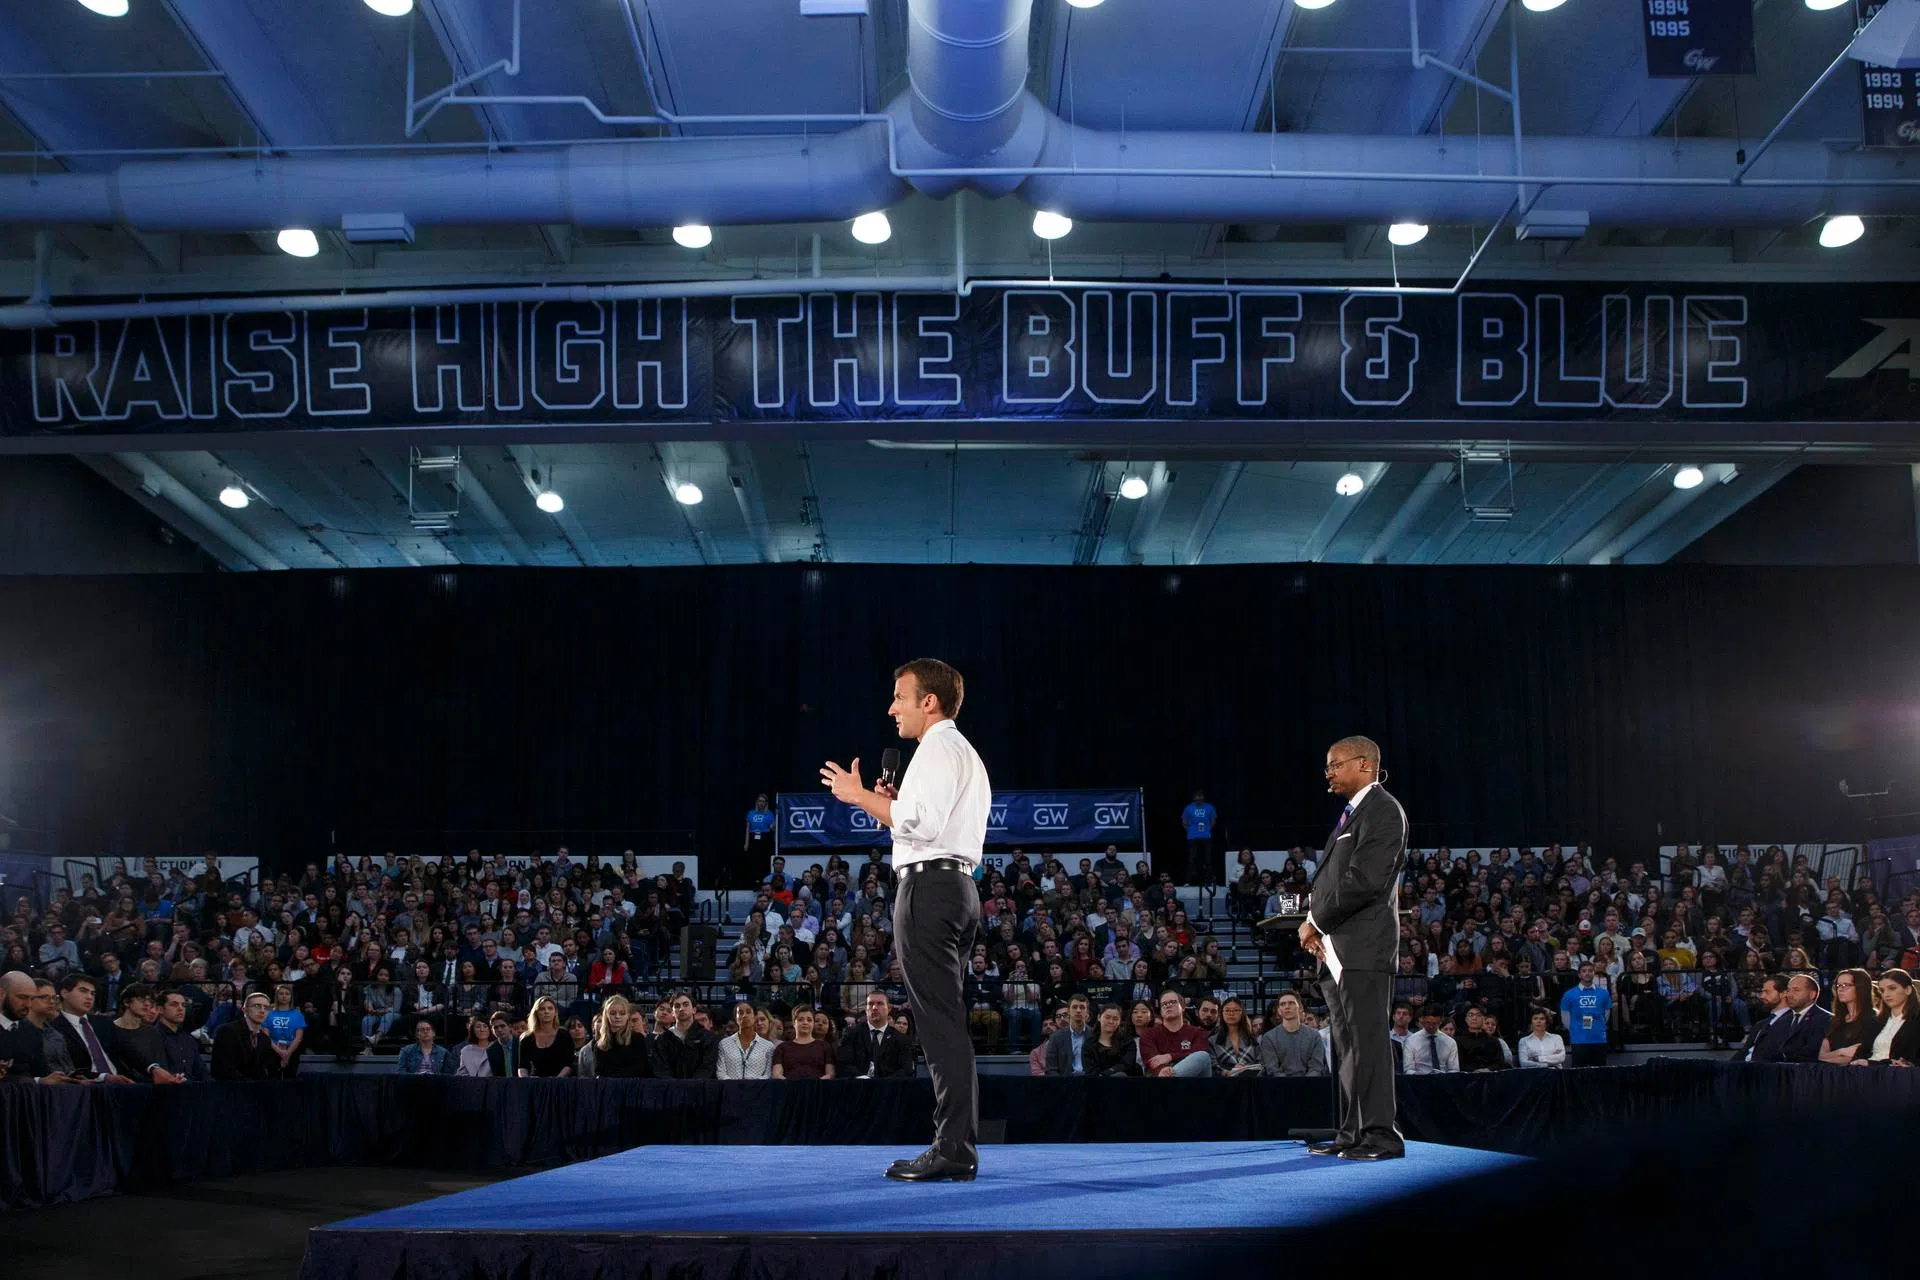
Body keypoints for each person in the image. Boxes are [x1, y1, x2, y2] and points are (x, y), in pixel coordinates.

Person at [821, 657, 990, 1183]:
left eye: (900, 696)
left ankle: (953, 1149)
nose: (891, 707)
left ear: (929, 701)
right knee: (947, 1021)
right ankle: (955, 1145)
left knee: (939, 1024)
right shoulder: (962, 752)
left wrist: (858, 796)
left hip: (930, 892)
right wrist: (886, 805)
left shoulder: (937, 747)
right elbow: (924, 822)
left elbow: (922, 821)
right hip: (957, 887)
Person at [1298, 735, 1409, 1160]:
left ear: (1364, 765)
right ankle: (1352, 1135)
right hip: (1338, 951)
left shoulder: (1382, 810)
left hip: (1363, 949)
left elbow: (1365, 881)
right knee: (1346, 1045)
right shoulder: (1354, 814)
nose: (1328, 772)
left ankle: (1381, 1136)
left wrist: (1315, 921)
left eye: (1334, 764)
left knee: (1370, 1043)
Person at [839, 990, 915, 1078]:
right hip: (857, 1087)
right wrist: (861, 1078)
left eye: (880, 1003)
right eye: (871, 1004)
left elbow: (906, 1070)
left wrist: (883, 1084)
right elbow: (843, 1064)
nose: (874, 1007)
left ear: (889, 1008)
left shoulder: (902, 1040)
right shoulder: (851, 1035)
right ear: (865, 1008)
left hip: (890, 1089)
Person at [1138, 989, 1212, 1077]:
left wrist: (1170, 1056)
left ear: (1183, 1007)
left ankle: (1172, 1079)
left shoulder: (1198, 1032)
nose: (1168, 1005)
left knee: (1203, 1056)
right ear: (1161, 1011)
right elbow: (1153, 1062)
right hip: (1161, 1078)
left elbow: (1199, 1057)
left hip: (1193, 1083)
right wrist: (1162, 1070)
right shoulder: (1148, 1034)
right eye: (1164, 1004)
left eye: (1173, 1002)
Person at [212, 991, 282, 1080]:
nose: (262, 1010)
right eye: (257, 1006)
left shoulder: (265, 1039)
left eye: (266, 1008)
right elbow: (223, 1069)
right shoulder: (227, 1031)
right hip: (230, 1089)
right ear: (245, 1009)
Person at [1857, 969, 1920, 1065]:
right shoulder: (1875, 1021)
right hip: (1867, 1074)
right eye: (1882, 990)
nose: (1886, 994)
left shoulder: (1917, 1021)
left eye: (1892, 988)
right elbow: (1861, 1053)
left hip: (1899, 1076)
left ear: (1908, 990)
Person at [1258, 991, 1329, 1078]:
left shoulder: (1315, 1036)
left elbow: (1316, 1068)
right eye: (1283, 1004)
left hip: (1310, 1087)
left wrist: (1304, 1086)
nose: (1287, 1007)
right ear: (1279, 1011)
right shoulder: (1269, 1037)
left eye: (1291, 1003)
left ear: (1300, 1008)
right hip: (1279, 1087)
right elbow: (1272, 1069)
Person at [652, 989, 720, 1078]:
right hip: (671, 1089)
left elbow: (707, 1069)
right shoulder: (661, 1040)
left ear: (694, 1010)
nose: (681, 1009)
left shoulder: (708, 1038)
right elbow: (662, 1071)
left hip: (699, 1089)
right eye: (677, 1006)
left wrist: (690, 1088)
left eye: (686, 1005)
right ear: (672, 1013)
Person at [1558, 961, 1613, 1068]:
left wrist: (1598, 1026)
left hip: (1599, 1039)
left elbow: (1606, 1014)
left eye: (1590, 971)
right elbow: (1565, 1017)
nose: (1587, 973)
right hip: (1578, 1039)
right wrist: (1575, 1029)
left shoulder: (1603, 993)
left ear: (1594, 973)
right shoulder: (1569, 994)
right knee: (1579, 1073)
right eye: (1584, 971)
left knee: (1600, 1072)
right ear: (1579, 974)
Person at [1820, 967, 1879, 1064]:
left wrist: (1831, 1055)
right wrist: (1842, 1051)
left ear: (1861, 988)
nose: (1840, 989)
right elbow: (1821, 1056)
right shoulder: (1834, 1020)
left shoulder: (1874, 1020)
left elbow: (1855, 1058)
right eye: (1838, 985)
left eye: (1846, 985)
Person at [589, 995, 654, 1077]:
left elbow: (641, 1068)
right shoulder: (599, 1044)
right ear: (606, 1016)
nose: (617, 1016)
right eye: (612, 1013)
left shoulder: (637, 1038)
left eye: (622, 1013)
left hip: (633, 1087)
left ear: (627, 1016)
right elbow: (599, 1073)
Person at [1775, 973, 1831, 1063]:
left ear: (1812, 994)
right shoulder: (1781, 1021)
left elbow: (1812, 1053)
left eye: (1796, 990)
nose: (1789, 995)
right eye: (1788, 990)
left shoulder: (1826, 1020)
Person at [154, 989, 209, 1081]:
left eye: (183, 1005)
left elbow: (202, 1072)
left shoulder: (188, 1039)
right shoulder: (152, 1037)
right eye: (174, 1004)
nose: (181, 1008)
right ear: (160, 1009)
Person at [516, 996, 575, 1078]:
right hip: (535, 1083)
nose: (546, 1011)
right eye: (542, 1009)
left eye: (550, 1008)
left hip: (559, 1083)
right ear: (536, 1013)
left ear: (555, 1013)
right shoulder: (527, 1037)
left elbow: (568, 1065)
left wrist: (556, 1080)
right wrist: (526, 1080)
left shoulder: (564, 1035)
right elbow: (522, 1067)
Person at [771, 1005, 835, 1079]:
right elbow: (777, 1074)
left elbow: (830, 1074)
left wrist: (814, 1085)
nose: (805, 1022)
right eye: (801, 1019)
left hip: (817, 1088)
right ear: (794, 1023)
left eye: (809, 1020)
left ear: (813, 1023)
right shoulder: (782, 1047)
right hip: (789, 1088)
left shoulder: (825, 1046)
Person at [717, 1001, 776, 1079]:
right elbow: (721, 1072)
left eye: (748, 1012)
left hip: (758, 1089)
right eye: (740, 1013)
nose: (744, 1015)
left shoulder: (768, 1046)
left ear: (755, 1017)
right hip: (731, 1088)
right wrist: (733, 1085)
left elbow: (768, 1074)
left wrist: (752, 1084)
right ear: (735, 1018)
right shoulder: (724, 1043)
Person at [1041, 994, 1097, 1076]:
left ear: (1087, 1012)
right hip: (1065, 1083)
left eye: (1082, 1007)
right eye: (1074, 1007)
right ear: (1069, 1011)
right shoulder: (1056, 1037)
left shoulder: (1095, 1035)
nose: (1078, 1010)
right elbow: (1051, 1069)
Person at [263, 983, 307, 1077]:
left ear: (291, 997)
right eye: (281, 993)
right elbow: (266, 1035)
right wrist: (279, 1051)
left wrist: (288, 1053)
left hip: (292, 1049)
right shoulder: (268, 1014)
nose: (284, 996)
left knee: (290, 1078)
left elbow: (298, 1037)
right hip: (272, 1049)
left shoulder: (297, 1014)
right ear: (276, 996)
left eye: (287, 994)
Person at [1084, 1002, 1139, 1075]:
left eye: (1115, 1019)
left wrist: (1105, 1074)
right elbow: (1090, 1069)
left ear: (1120, 1021)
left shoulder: (1128, 1042)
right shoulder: (1089, 1043)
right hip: (1097, 1083)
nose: (1111, 1021)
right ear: (1099, 1017)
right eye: (1107, 1017)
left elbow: (1127, 1065)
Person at [1400, 1007, 1459, 1075]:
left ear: (1441, 1022)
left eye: (1435, 1023)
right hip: (1419, 1080)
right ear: (1423, 1020)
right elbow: (1408, 1070)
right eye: (1428, 1023)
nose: (1431, 1027)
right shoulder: (1411, 1041)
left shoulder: (1450, 1042)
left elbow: (1454, 1069)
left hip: (1444, 1081)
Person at [1181, 789, 1218, 887]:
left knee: (1208, 859)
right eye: (1197, 796)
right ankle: (1188, 881)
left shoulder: (1210, 807)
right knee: (1192, 859)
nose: (1199, 798)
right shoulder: (1188, 808)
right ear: (1194, 798)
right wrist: (1190, 831)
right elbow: (1184, 822)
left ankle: (1209, 881)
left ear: (1203, 797)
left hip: (1206, 837)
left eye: (1200, 796)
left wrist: (1207, 830)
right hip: (1192, 837)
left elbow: (1213, 821)